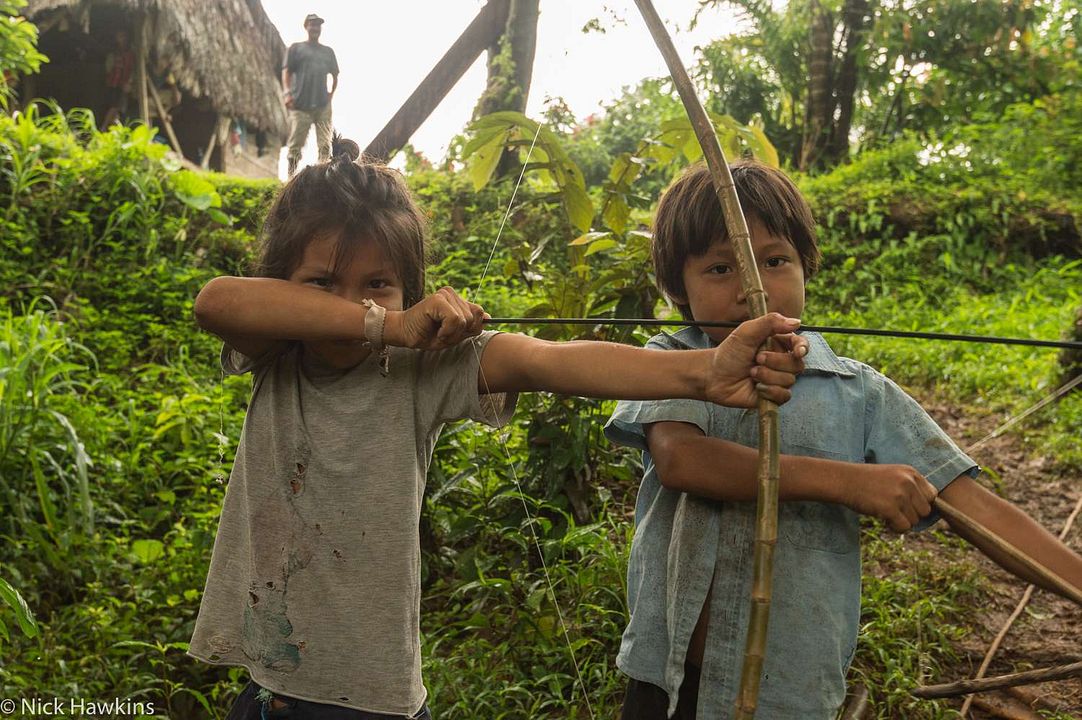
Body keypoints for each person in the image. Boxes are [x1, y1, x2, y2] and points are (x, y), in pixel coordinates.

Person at [186, 138, 810, 720]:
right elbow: (216, 300)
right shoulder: (277, 351)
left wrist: (706, 370)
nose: (357, 303)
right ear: (285, 283)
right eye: (323, 283)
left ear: (412, 290)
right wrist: (385, 322)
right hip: (272, 692)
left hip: (375, 697)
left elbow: (548, 360)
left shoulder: (423, 368)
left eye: (379, 284)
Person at [604, 161, 1082, 719]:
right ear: (676, 289)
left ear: (806, 265)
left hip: (792, 692)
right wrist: (848, 481)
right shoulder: (671, 361)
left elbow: (972, 505)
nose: (752, 287)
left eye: (775, 260)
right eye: (719, 267)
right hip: (667, 684)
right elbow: (682, 459)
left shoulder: (861, 394)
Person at [282, 13, 339, 177]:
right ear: (306, 26)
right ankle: (290, 179)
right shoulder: (296, 48)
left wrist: (331, 95)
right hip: (300, 104)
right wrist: (287, 94)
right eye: (312, 24)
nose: (315, 28)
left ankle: (323, 178)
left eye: (318, 25)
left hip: (322, 104)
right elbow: (286, 72)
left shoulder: (328, 52)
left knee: (325, 145)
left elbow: (335, 76)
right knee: (295, 144)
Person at [101, 28, 134, 130]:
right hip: (113, 84)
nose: (121, 39)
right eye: (119, 37)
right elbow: (108, 68)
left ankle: (107, 129)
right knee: (113, 107)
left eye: (123, 36)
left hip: (125, 85)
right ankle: (104, 128)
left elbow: (134, 70)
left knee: (119, 108)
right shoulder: (113, 52)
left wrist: (130, 83)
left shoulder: (132, 53)